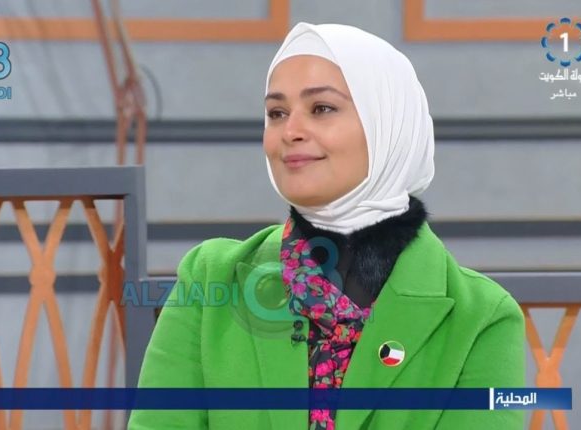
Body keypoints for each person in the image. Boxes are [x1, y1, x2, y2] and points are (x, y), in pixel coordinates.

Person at [128, 22, 525, 430]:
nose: (290, 132)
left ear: (387, 123)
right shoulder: (210, 276)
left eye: (321, 109)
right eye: (277, 113)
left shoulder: (482, 317)